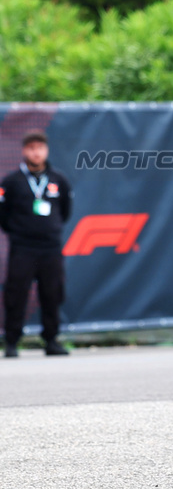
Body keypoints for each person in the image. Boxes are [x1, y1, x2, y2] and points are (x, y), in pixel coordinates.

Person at [1, 132, 74, 358]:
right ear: (24, 151)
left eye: (40, 148)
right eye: (31, 148)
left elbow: (65, 212)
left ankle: (51, 340)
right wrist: (19, 232)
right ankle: (12, 342)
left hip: (50, 248)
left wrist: (48, 229)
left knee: (52, 293)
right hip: (23, 248)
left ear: (46, 150)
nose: (36, 152)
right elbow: (2, 214)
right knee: (16, 294)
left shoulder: (58, 179)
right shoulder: (11, 182)